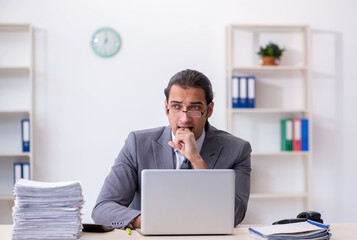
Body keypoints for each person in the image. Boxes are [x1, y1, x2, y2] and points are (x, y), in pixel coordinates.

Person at [92, 69, 252, 229]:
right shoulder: (137, 144)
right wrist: (156, 221)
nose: (184, 118)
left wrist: (196, 160)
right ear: (166, 108)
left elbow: (234, 215)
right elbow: (103, 209)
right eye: (176, 107)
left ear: (209, 110)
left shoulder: (237, 150)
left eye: (195, 108)